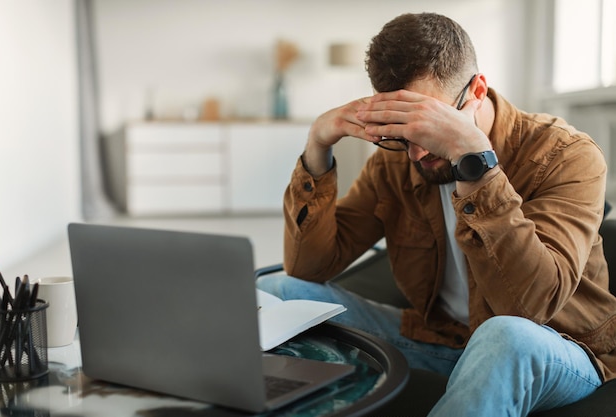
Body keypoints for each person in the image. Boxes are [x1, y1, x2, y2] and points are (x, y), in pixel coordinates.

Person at [256, 11, 616, 416]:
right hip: (442, 341)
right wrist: (318, 145)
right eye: (401, 131)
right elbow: (309, 268)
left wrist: (474, 162)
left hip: (557, 348)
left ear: (477, 89)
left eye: (430, 123)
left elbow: (529, 309)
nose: (417, 153)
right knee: (280, 290)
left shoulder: (565, 155)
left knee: (505, 336)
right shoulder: (394, 163)